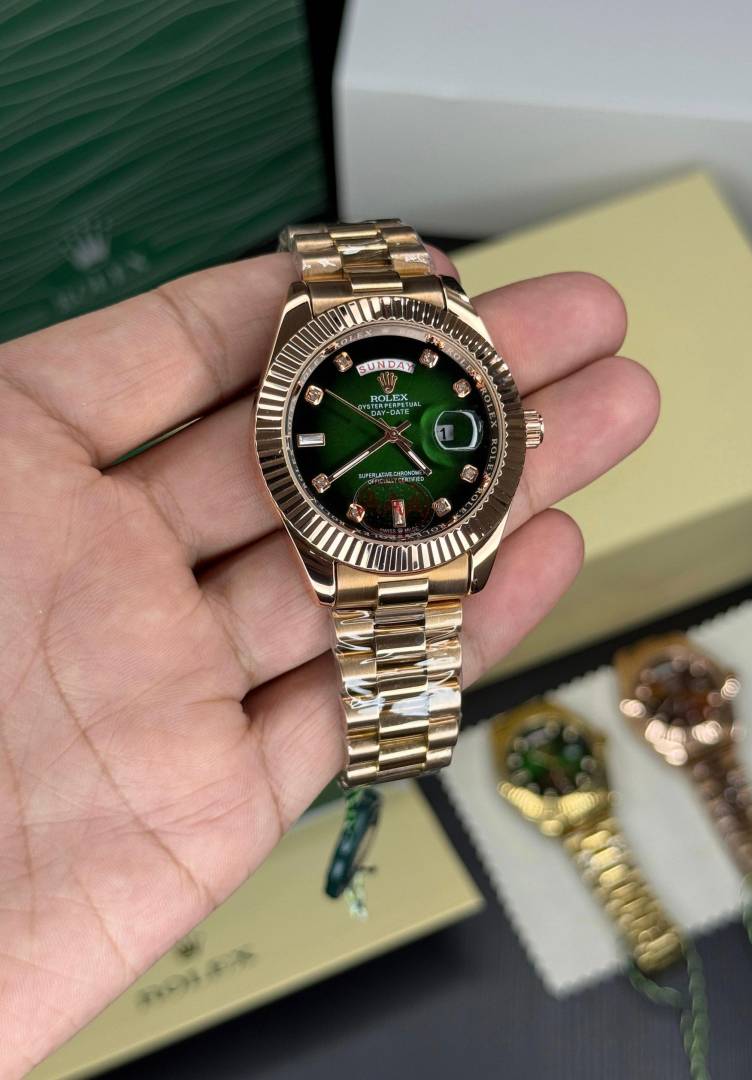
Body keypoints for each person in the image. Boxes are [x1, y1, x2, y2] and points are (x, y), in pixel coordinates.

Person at [0, 249, 658, 1074]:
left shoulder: (454, 434)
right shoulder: (347, 431)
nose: (395, 433)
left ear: (512, 433)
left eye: (404, 428)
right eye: (382, 428)